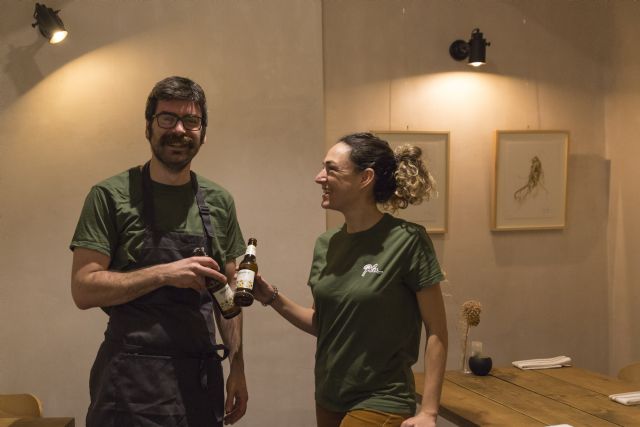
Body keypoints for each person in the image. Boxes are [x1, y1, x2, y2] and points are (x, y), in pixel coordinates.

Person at [70, 76, 248, 427]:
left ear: (203, 132)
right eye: (167, 118)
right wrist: (166, 273)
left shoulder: (219, 201)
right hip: (129, 382)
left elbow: (227, 296)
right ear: (148, 127)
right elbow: (84, 288)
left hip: (198, 376)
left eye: (191, 121)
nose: (179, 129)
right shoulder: (110, 195)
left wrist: (237, 367)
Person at [253, 132, 448, 427]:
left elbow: (437, 330)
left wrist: (429, 411)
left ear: (365, 178)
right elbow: (326, 323)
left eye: (331, 169)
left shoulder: (407, 240)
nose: (320, 177)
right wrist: (271, 297)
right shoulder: (326, 244)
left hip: (382, 398)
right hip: (329, 397)